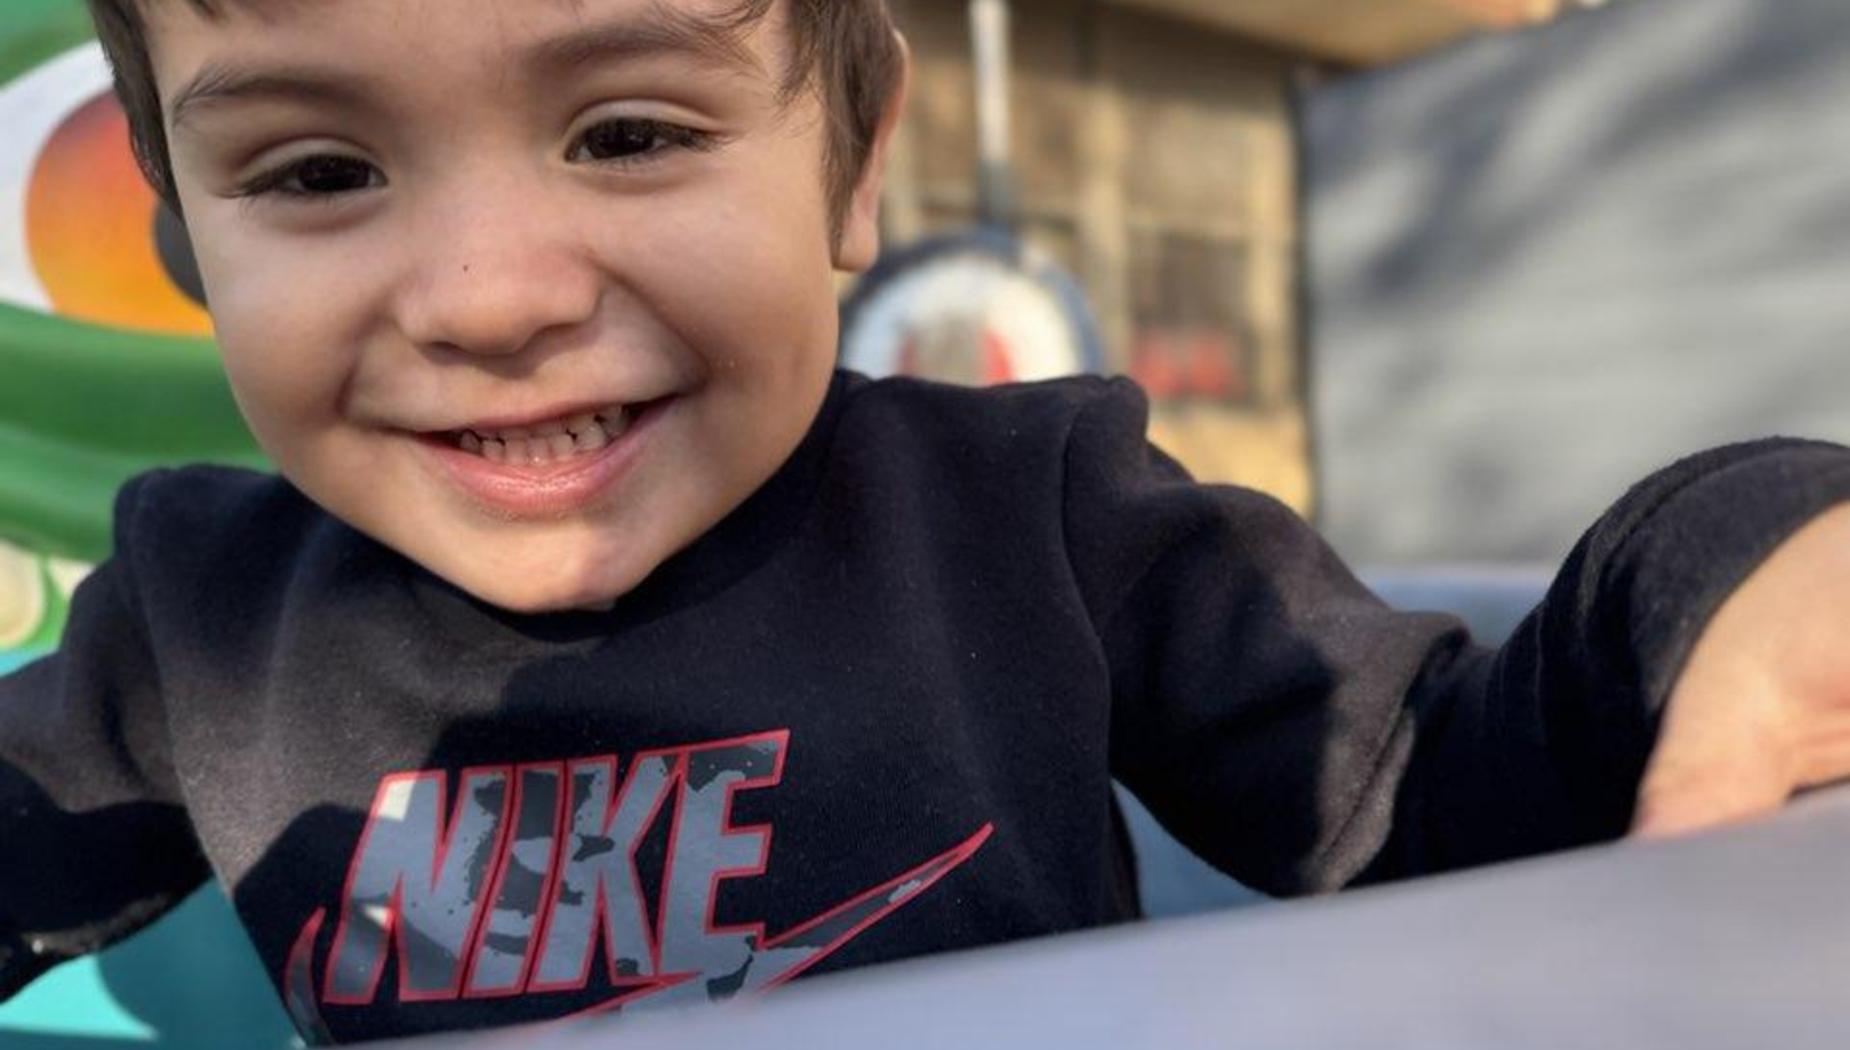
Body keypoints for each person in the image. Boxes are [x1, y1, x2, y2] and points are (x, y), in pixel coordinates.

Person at [5, 0, 1850, 1042]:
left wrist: (1733, 561)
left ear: (853, 165)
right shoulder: (188, 617)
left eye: (630, 131)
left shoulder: (1036, 514)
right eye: (318, 171)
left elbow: (1447, 801)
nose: (489, 296)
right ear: (185, 246)